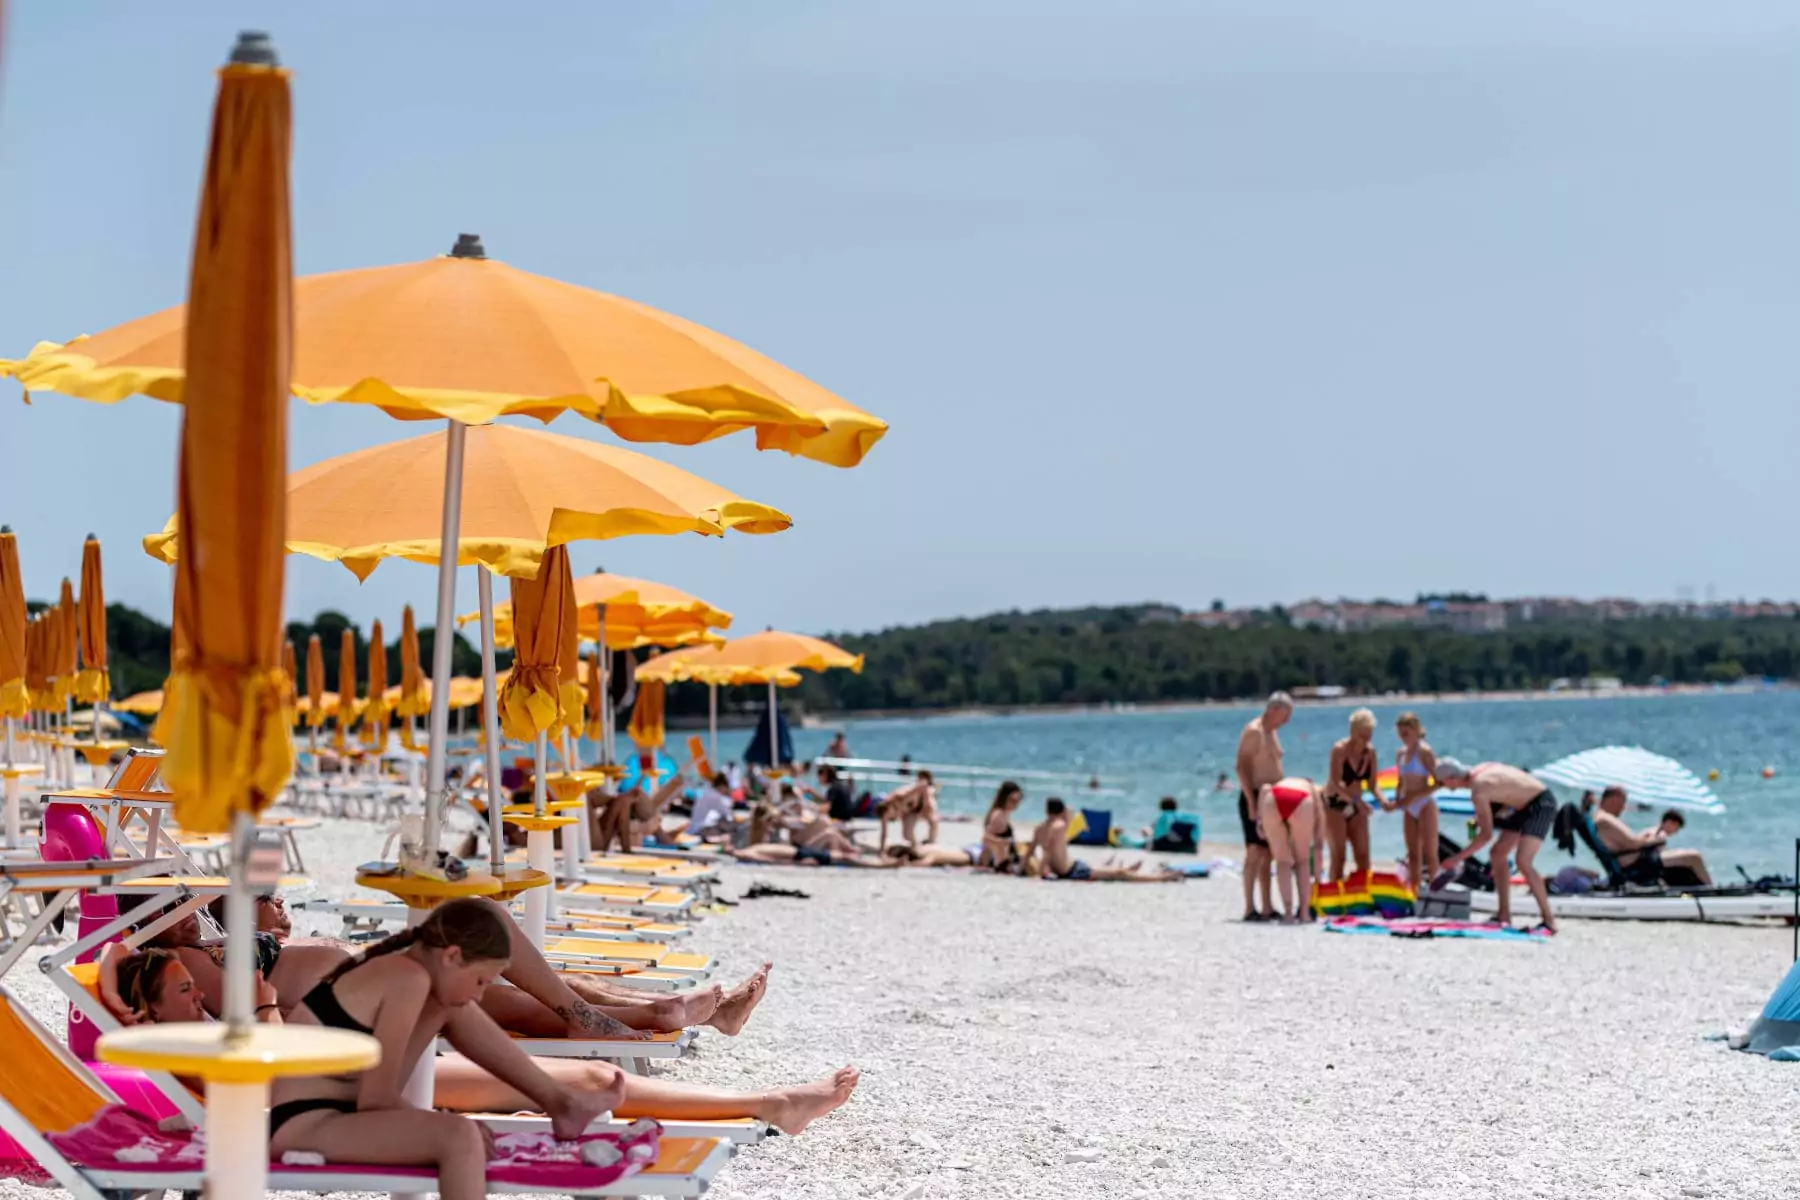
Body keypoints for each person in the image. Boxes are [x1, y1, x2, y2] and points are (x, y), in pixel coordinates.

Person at [117, 901, 858, 1198]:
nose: (481, 990)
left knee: (574, 1071)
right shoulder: (400, 981)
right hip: (309, 1108)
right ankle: (584, 1088)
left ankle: (757, 1102)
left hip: (338, 1076)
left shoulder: (419, 982)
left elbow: (394, 1064)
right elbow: (376, 1104)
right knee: (457, 1134)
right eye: (478, 976)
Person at [109, 892, 768, 1040]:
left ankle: (654, 1011)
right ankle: (642, 1014)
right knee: (484, 931)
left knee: (491, 957)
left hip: (363, 982)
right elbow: (252, 1013)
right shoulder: (175, 964)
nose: (189, 908)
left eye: (186, 899)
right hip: (354, 1005)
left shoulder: (202, 943)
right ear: (146, 923)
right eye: (173, 903)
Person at [1433, 759, 1557, 933]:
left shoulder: (1478, 790)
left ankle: (1549, 920)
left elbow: (1486, 835)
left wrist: (1456, 858)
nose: (1442, 786)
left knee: (1523, 861)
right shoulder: (1480, 770)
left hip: (1540, 804)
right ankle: (1503, 914)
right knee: (1497, 854)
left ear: (1452, 778)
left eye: (1441, 782)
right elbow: (1507, 784)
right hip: (1520, 805)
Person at [1023, 799, 1182, 882]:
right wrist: (1041, 873)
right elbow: (1049, 851)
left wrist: (1023, 870)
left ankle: (1128, 869)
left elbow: (1031, 852)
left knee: (1108, 869)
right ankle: (1162, 877)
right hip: (1074, 871)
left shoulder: (1039, 828)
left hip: (1074, 866)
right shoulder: (1060, 826)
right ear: (1061, 811)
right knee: (1120, 875)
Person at [1234, 693, 1291, 920]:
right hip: (1255, 795)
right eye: (1285, 715)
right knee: (1254, 852)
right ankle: (1249, 906)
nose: (1287, 721)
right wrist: (1251, 801)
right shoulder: (1254, 731)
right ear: (1274, 710)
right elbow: (1241, 767)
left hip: (1272, 798)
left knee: (1268, 853)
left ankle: (1267, 905)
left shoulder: (1272, 732)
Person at [1591, 787, 1713, 886]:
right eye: (1623, 802)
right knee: (1694, 856)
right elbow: (1634, 843)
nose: (1624, 807)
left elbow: (1629, 842)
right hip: (1638, 864)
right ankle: (1711, 890)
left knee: (1681, 857)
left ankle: (1698, 888)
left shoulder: (1600, 818)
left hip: (1638, 860)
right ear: (1614, 800)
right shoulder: (1605, 820)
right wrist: (1654, 839)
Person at [1322, 708, 1381, 883]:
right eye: (1363, 734)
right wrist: (1357, 801)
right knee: (1339, 854)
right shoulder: (1339, 750)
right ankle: (1334, 894)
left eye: (1369, 734)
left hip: (1357, 804)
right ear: (1353, 731)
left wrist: (1383, 801)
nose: (1366, 739)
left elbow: (1372, 783)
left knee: (1363, 854)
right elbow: (1335, 783)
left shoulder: (1370, 752)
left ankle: (1362, 893)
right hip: (1336, 802)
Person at [1256, 777, 1320, 923]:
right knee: (1303, 861)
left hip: (1273, 796)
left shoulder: (1283, 782)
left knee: (1282, 861)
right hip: (1301, 798)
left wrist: (1260, 822)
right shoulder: (1312, 789)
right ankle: (1304, 914)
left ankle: (1288, 914)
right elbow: (1319, 836)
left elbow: (1265, 789)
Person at [1390, 713, 1441, 894]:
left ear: (1416, 731)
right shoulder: (1401, 754)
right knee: (1412, 852)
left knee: (1430, 851)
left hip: (1425, 803)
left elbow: (1438, 782)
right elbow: (1400, 780)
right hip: (1409, 806)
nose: (1403, 738)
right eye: (1400, 734)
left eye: (1406, 733)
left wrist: (1414, 796)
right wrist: (1397, 798)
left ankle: (1435, 890)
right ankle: (1415, 890)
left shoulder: (1425, 752)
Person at [875, 771, 939, 850]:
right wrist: (882, 851)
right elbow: (884, 834)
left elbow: (923, 785)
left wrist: (925, 805)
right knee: (907, 835)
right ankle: (915, 847)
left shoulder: (901, 795)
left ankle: (931, 839)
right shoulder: (884, 813)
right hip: (911, 810)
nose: (893, 817)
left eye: (892, 815)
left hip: (921, 802)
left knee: (931, 809)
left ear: (889, 806)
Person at [981, 781, 1024, 868]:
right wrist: (1001, 842)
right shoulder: (998, 815)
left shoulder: (1004, 813)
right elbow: (986, 838)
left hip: (1003, 861)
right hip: (999, 863)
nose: (1016, 804)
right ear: (1004, 798)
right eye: (1013, 800)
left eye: (1018, 801)